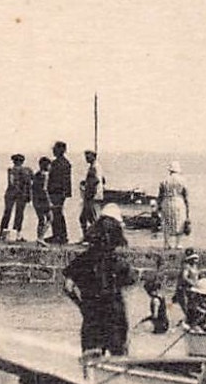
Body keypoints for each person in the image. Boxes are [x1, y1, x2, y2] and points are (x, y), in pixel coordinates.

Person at [63, 212, 138, 356]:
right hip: (115, 315)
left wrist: (81, 304)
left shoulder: (82, 260)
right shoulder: (119, 263)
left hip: (91, 314)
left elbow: (68, 287)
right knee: (119, 359)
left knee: (91, 358)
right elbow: (129, 287)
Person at [0, 153, 32, 240]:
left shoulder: (12, 170)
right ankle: (16, 234)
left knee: (9, 213)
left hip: (13, 193)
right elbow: (30, 183)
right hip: (20, 194)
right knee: (18, 214)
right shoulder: (27, 171)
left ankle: (3, 233)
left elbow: (11, 183)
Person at [158, 162, 190, 250]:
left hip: (166, 201)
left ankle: (167, 243)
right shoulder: (182, 180)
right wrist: (188, 209)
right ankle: (178, 243)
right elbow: (186, 195)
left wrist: (158, 206)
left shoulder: (164, 180)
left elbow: (160, 195)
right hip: (179, 201)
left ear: (170, 170)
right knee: (180, 221)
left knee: (166, 221)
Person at [46, 141, 73, 244]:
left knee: (56, 213)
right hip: (59, 192)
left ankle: (59, 236)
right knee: (57, 213)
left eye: (55, 149)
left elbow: (64, 180)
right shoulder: (65, 163)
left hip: (57, 192)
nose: (53, 150)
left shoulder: (59, 163)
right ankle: (59, 235)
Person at [78, 150, 102, 238]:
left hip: (91, 196)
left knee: (91, 218)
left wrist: (89, 193)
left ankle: (95, 237)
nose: (86, 158)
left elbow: (95, 181)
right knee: (85, 218)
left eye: (88, 156)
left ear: (94, 156)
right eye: (86, 157)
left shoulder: (94, 167)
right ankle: (88, 237)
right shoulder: (95, 166)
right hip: (92, 196)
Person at [30, 157, 52, 242]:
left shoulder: (37, 174)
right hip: (43, 200)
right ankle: (41, 237)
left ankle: (39, 237)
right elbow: (44, 189)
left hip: (36, 199)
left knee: (41, 219)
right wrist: (49, 201)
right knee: (50, 218)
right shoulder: (45, 175)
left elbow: (33, 188)